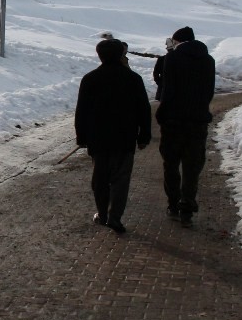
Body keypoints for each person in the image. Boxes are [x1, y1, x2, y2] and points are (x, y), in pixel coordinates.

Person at [74, 38, 152, 234]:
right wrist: (144, 135)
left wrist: (81, 136)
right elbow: (144, 109)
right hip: (124, 138)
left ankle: (102, 214)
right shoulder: (133, 78)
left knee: (100, 179)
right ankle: (114, 217)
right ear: (121, 54)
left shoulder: (90, 78)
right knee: (120, 179)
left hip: (98, 139)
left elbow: (81, 111)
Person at [156, 26, 216, 228]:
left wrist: (162, 114)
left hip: (174, 121)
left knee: (171, 164)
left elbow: (168, 90)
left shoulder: (172, 59)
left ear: (177, 41)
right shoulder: (208, 60)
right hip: (198, 121)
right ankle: (187, 206)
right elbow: (209, 91)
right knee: (192, 166)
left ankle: (173, 204)